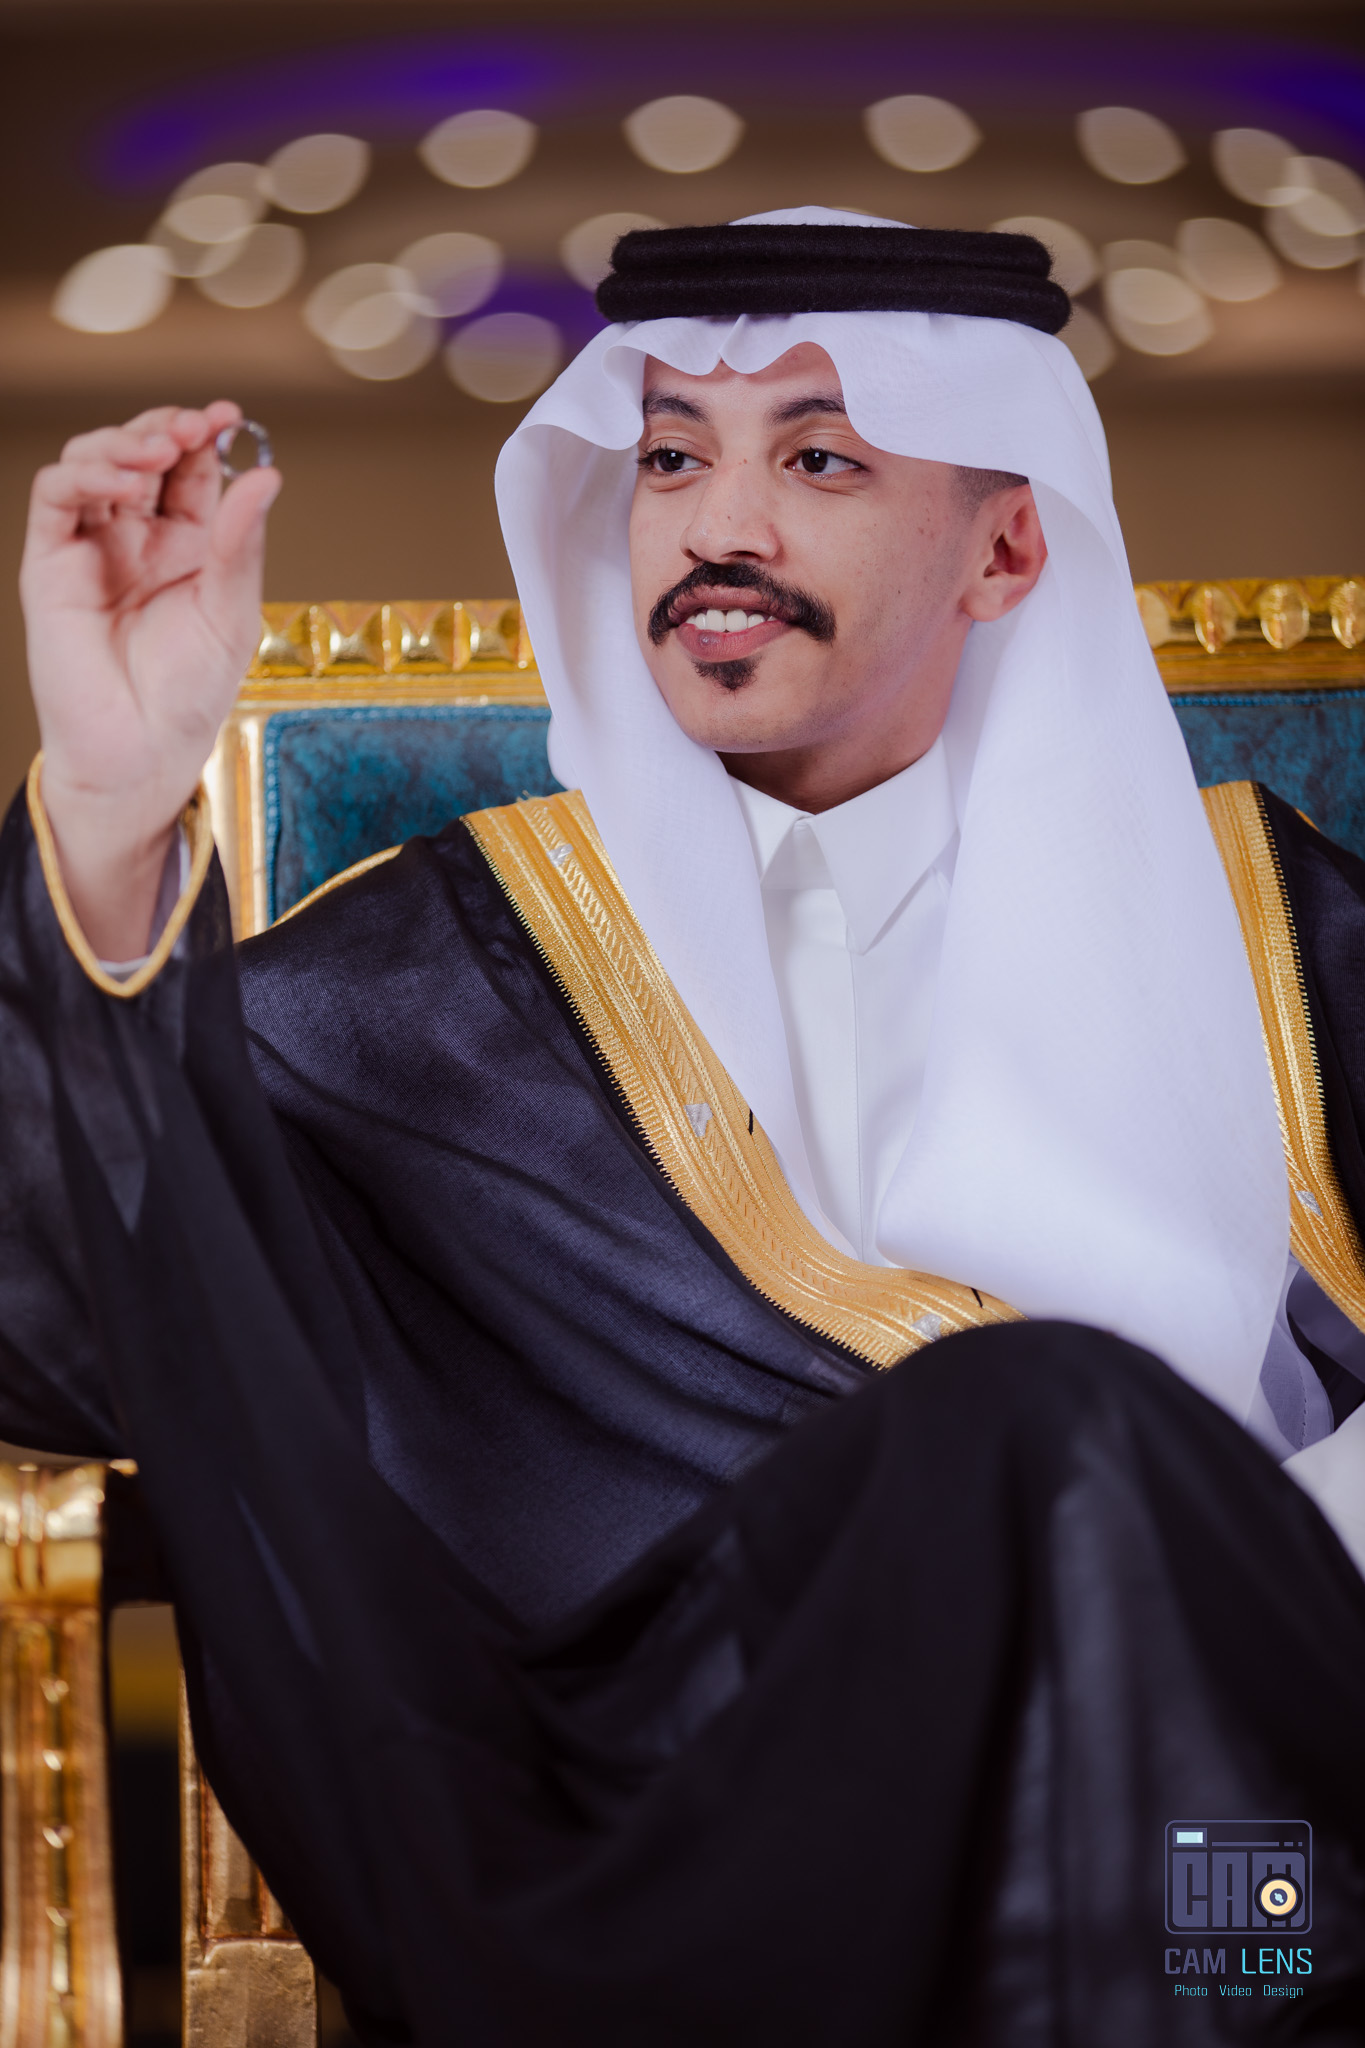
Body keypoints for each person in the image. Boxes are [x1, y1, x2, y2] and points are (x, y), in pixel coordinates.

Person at [3, 209, 1365, 2044]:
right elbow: (74, 1308)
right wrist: (108, 809)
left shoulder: (1281, 934)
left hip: (1236, 1824)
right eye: (667, 460)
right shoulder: (444, 976)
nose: (722, 528)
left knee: (1192, 1776)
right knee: (1036, 1423)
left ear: (1005, 545)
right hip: (670, 1843)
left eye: (817, 459)